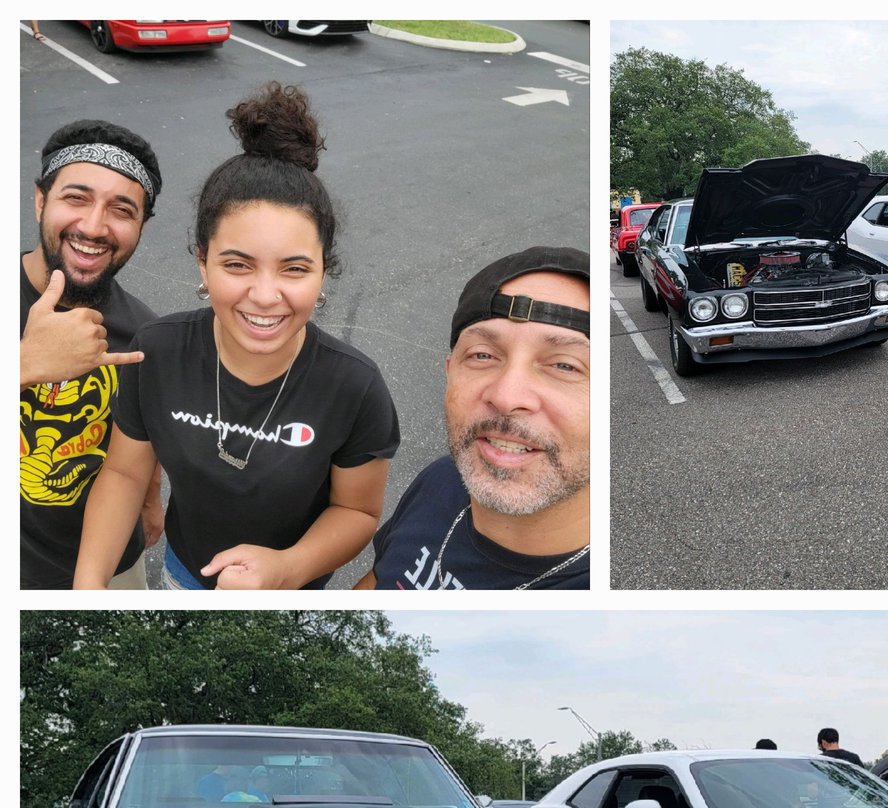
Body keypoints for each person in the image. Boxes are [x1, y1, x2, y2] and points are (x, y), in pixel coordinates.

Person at [74, 82, 399, 589]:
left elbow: (356, 511)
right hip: (184, 572)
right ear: (203, 261)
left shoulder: (355, 387)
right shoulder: (155, 350)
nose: (265, 296)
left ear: (323, 272)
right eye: (237, 264)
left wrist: (287, 569)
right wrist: (88, 587)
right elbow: (124, 474)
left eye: (294, 269)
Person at [356, 246, 589, 590]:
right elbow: (378, 578)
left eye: (564, 365)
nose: (507, 397)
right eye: (482, 355)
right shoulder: (443, 480)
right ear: (449, 374)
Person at [21, 118, 165, 589]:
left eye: (122, 210)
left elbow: (141, 431)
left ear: (141, 226)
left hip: (109, 561)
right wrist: (24, 364)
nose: (93, 226)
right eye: (75, 198)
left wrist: (150, 500)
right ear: (42, 199)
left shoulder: (145, 333)